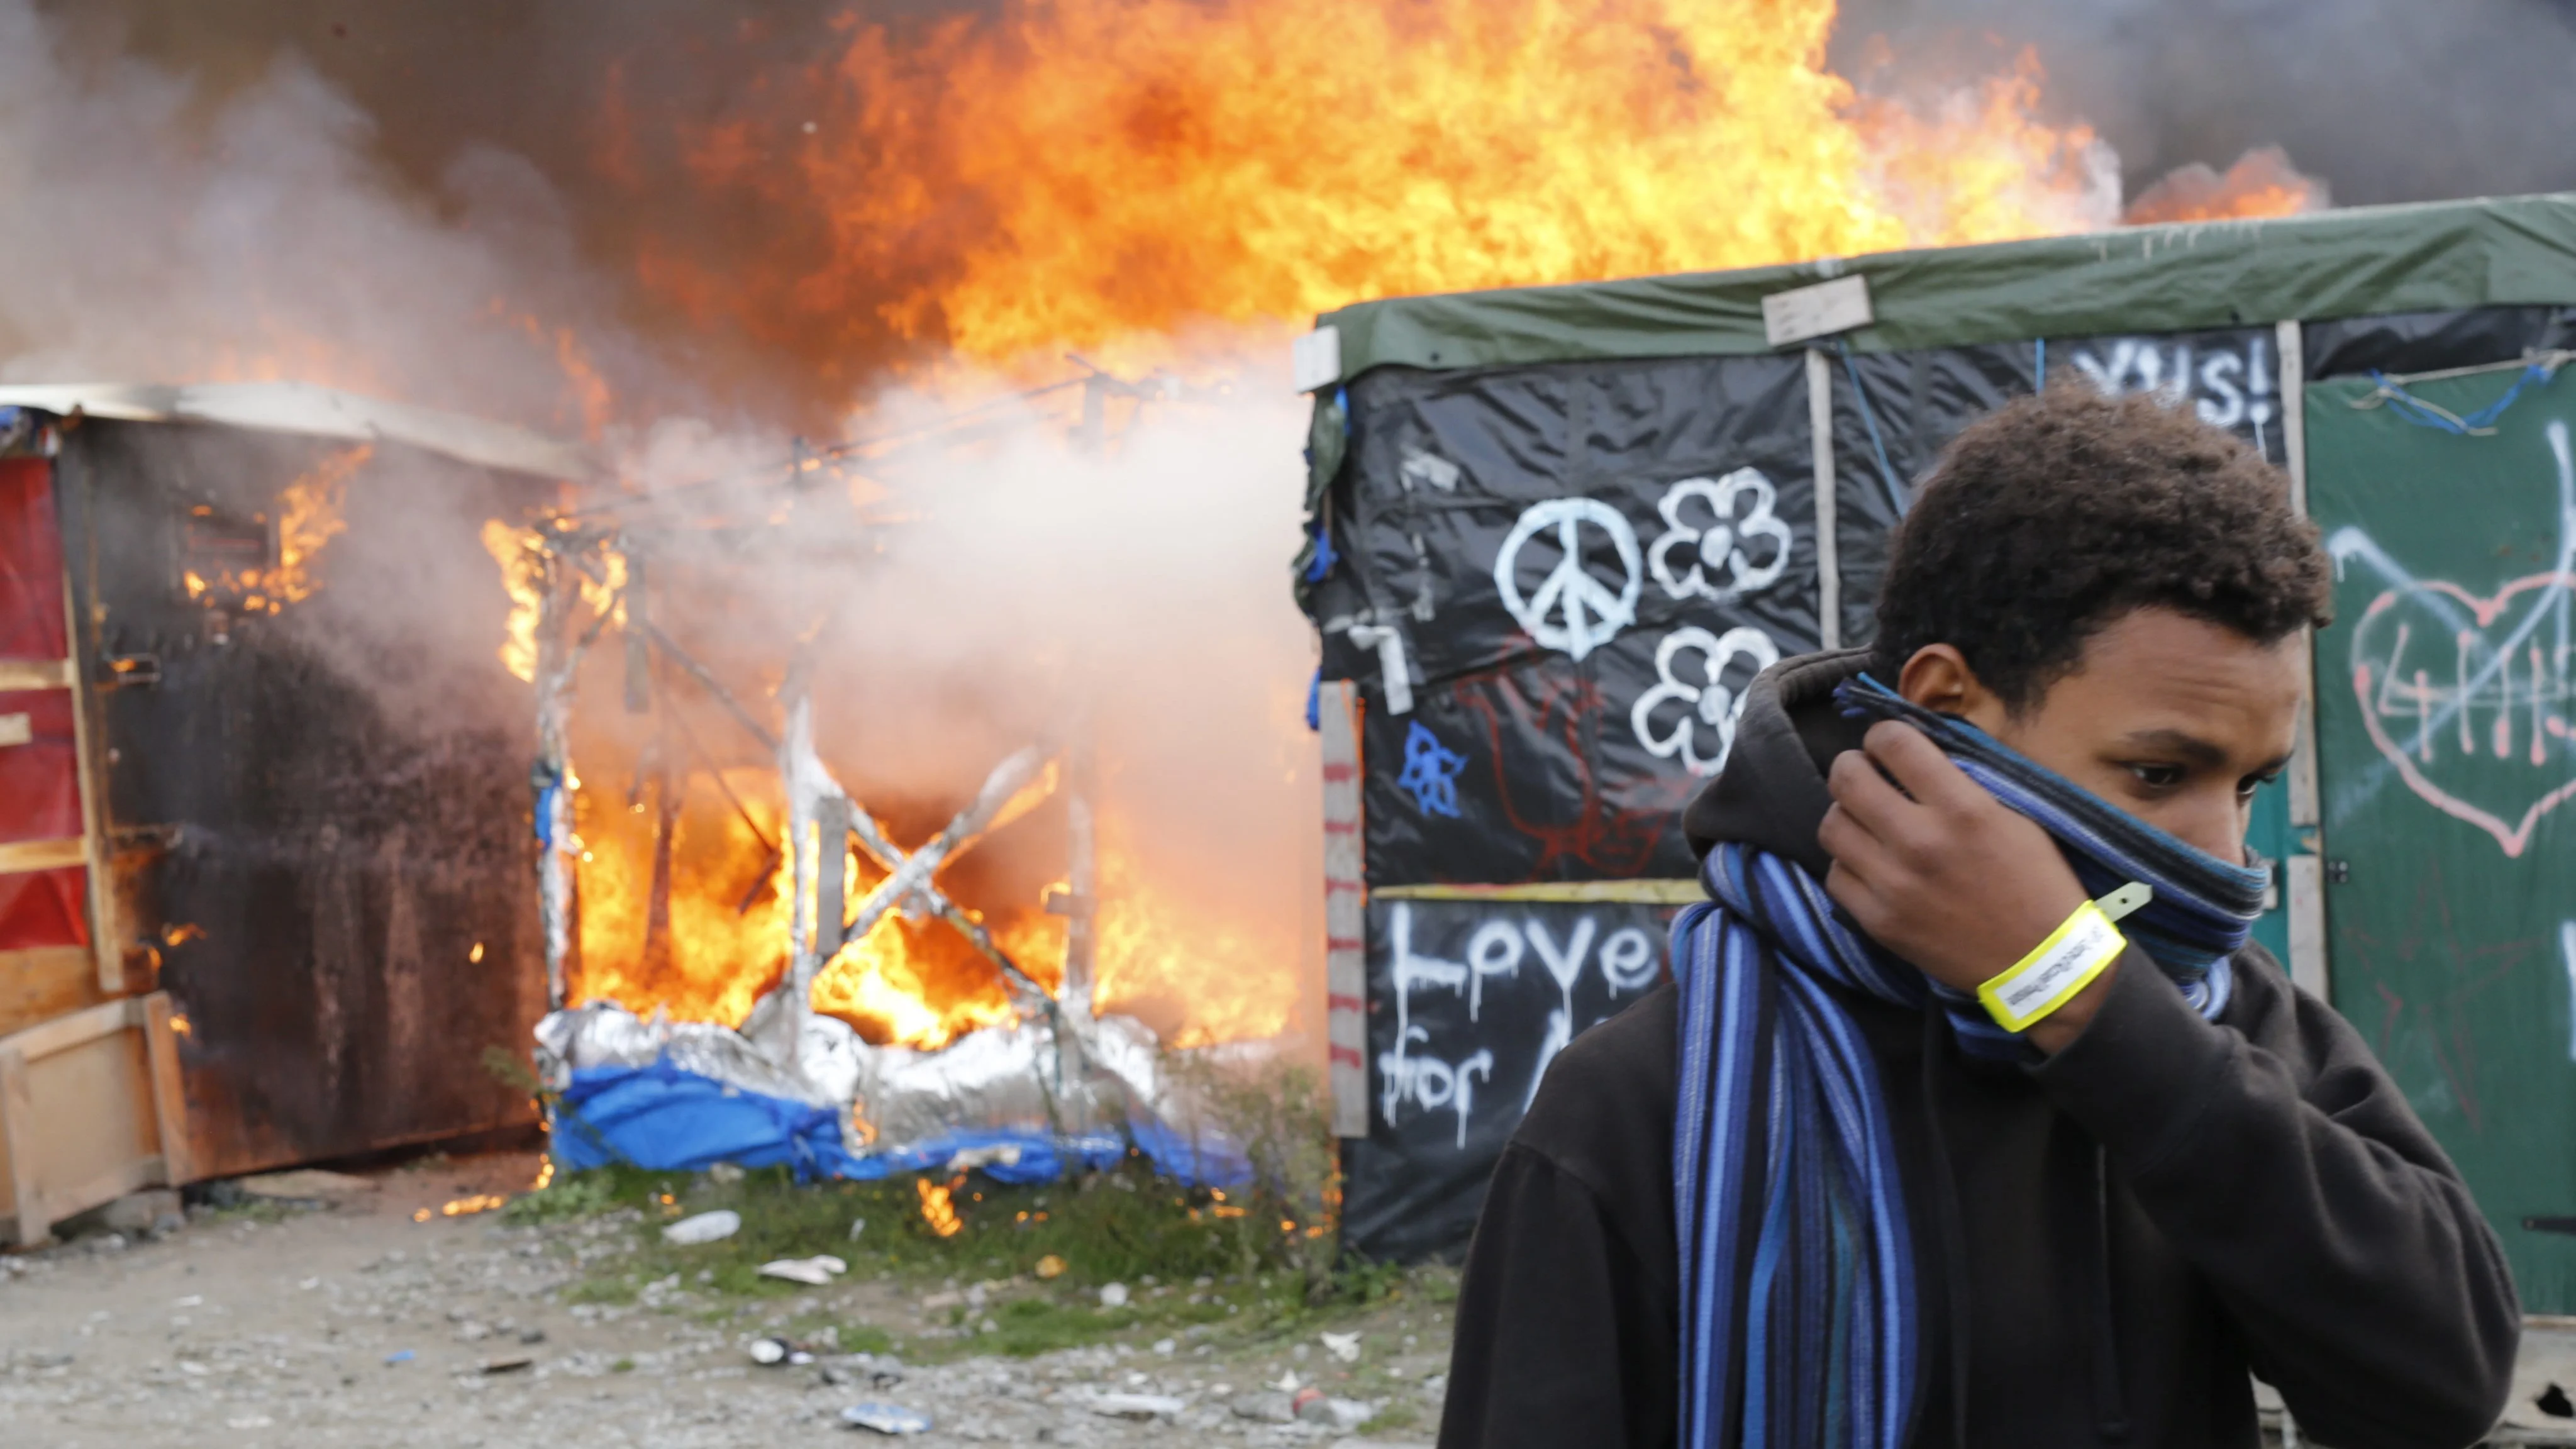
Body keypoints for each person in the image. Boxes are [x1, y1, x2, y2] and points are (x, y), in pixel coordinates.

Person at [1437, 385, 2519, 1449]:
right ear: (1949, 709)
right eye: (2156, 773)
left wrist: (2083, 997)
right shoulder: (1641, 1107)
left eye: (2249, 787)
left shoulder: (2218, 1018)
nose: (2222, 857)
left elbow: (2441, 1387)